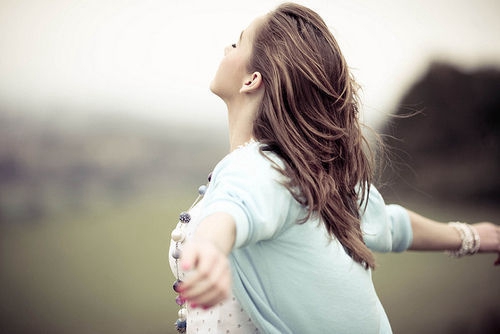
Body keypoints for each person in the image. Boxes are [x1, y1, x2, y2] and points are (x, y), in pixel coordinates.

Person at [168, 3, 500, 333]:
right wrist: (471, 236)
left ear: (252, 79)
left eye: (238, 42)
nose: (227, 47)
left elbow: (233, 210)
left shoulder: (257, 168)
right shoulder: (311, 175)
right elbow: (391, 223)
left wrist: (210, 247)